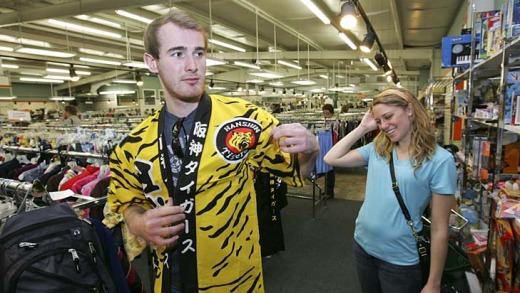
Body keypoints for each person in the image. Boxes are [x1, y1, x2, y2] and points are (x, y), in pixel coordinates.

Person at [105, 9, 320, 293]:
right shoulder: (132, 145)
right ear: (152, 62)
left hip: (233, 281)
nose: (193, 65)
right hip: (168, 279)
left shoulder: (244, 120)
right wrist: (139, 222)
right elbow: (125, 203)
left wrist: (312, 149)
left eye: (199, 53)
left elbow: (296, 172)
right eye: (178, 54)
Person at [324, 87, 456, 293]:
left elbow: (440, 229)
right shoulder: (378, 149)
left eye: (388, 116)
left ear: (410, 110)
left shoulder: (440, 160)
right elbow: (331, 158)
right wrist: (362, 128)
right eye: (379, 121)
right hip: (363, 245)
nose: (384, 126)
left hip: (400, 259)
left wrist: (433, 283)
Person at [321, 104, 338, 198]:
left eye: (327, 113)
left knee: (330, 171)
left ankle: (330, 192)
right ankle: (327, 190)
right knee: (327, 170)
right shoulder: (322, 122)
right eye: (324, 113)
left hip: (332, 149)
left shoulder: (335, 123)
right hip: (325, 149)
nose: (325, 115)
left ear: (331, 113)